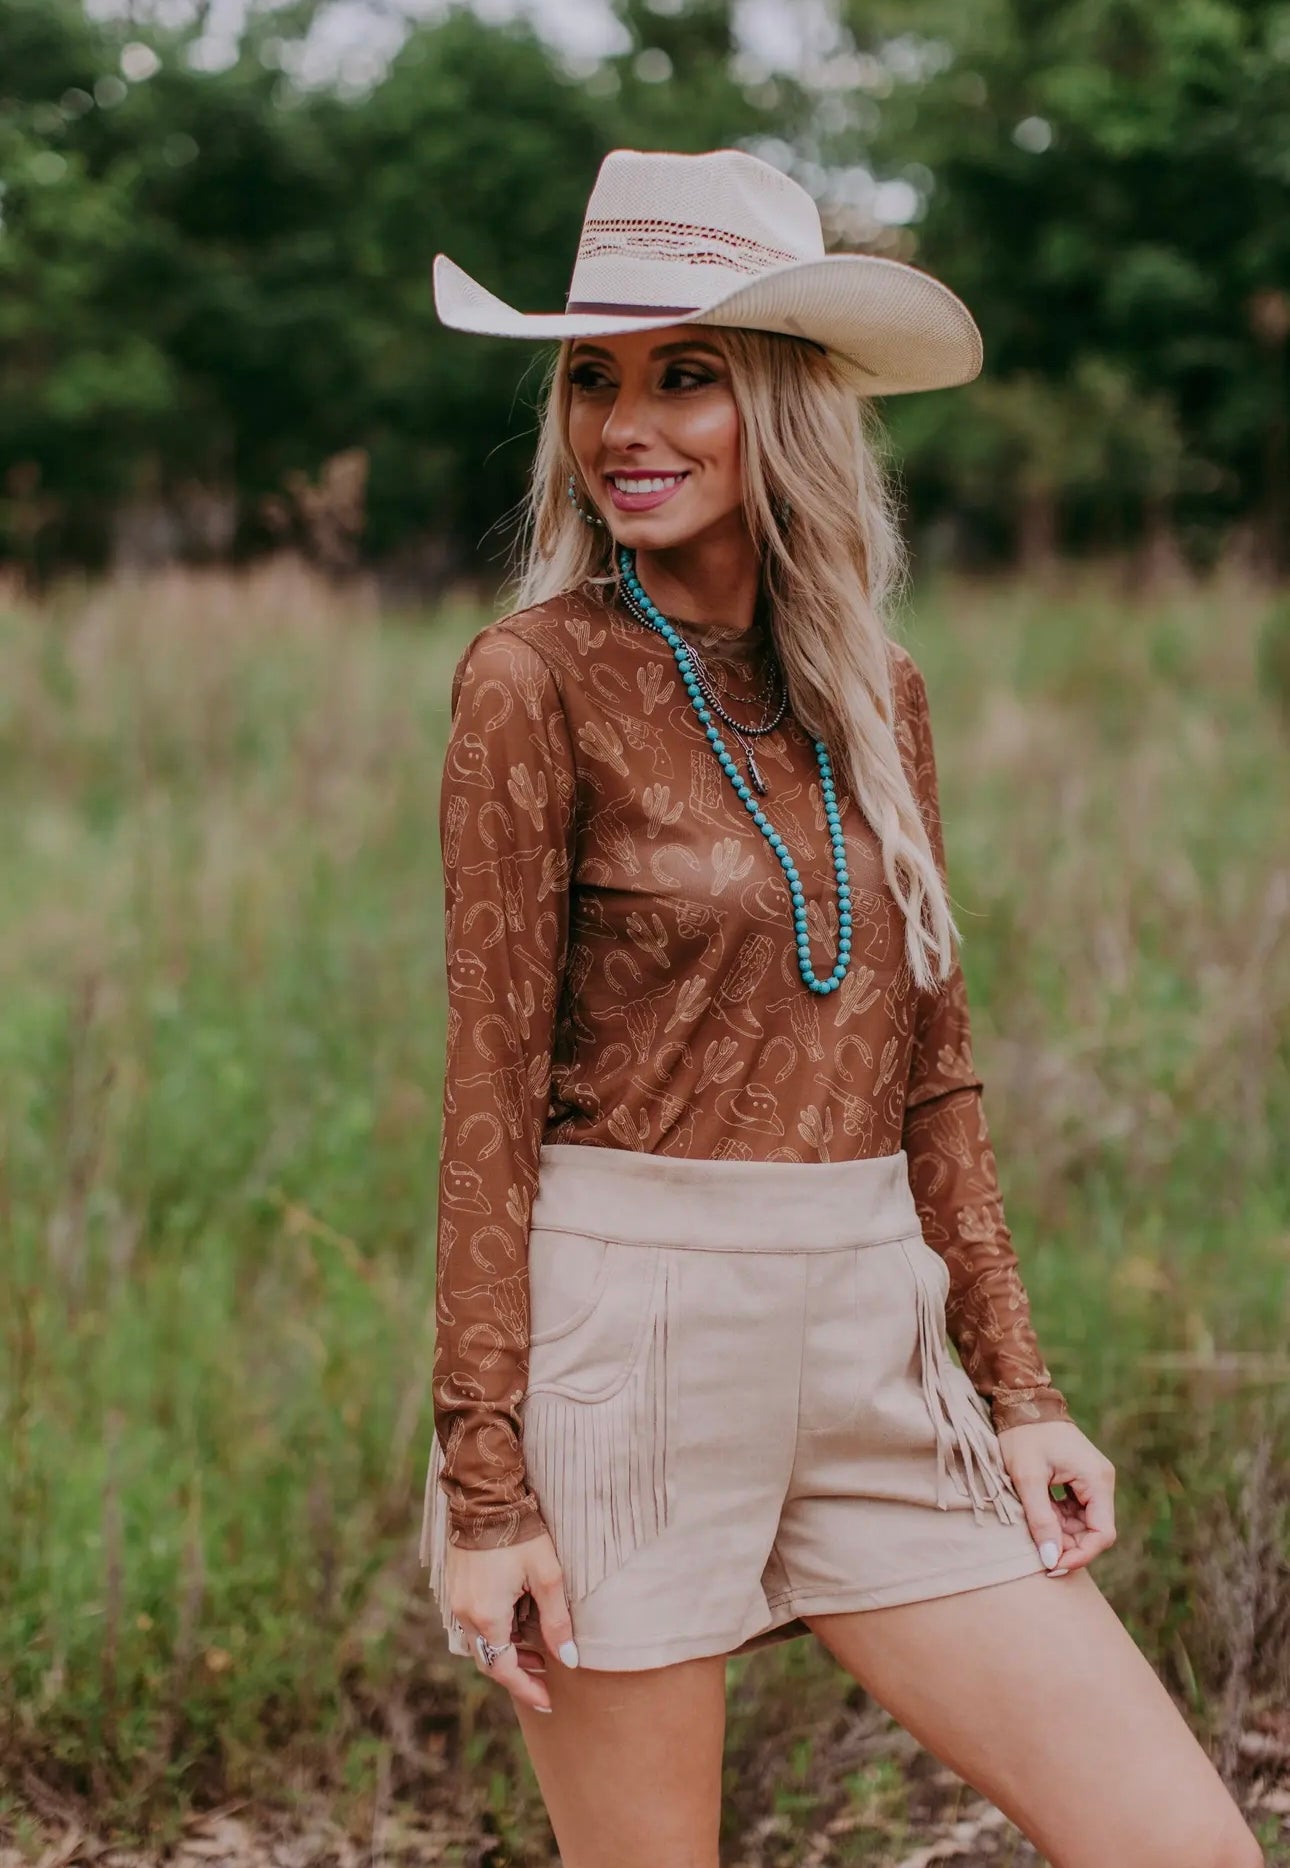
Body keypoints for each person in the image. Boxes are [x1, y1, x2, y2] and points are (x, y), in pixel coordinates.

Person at [417, 148, 1262, 1868]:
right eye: (593, 379)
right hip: (628, 1344)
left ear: (785, 404)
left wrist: (1018, 1389)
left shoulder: (878, 690)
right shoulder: (533, 680)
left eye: (685, 375)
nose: (625, 427)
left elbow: (932, 1076)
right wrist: (487, 1487)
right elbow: (487, 1103)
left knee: (1180, 1844)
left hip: (877, 1338)